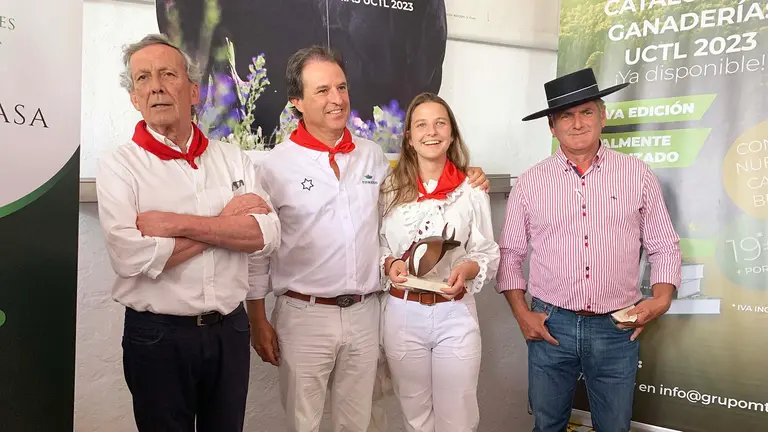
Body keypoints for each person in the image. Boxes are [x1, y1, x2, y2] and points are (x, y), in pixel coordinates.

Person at [246, 45, 489, 432]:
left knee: (360, 423)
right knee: (302, 423)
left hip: (365, 313)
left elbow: (406, 204)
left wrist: (468, 175)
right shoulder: (274, 165)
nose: (337, 99)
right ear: (297, 101)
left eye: (341, 87)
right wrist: (257, 318)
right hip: (304, 315)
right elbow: (258, 251)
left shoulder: (372, 156)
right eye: (322, 90)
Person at [96, 33, 280, 432]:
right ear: (134, 98)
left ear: (194, 91)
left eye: (168, 74)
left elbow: (267, 234)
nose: (156, 87)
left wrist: (177, 225)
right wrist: (226, 223)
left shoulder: (233, 159)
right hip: (158, 337)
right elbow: (129, 256)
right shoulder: (118, 165)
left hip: (229, 330)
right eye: (143, 78)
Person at [496, 68, 682, 432]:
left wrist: (660, 300)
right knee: (547, 425)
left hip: (617, 326)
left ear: (603, 116)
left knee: (614, 427)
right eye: (566, 115)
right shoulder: (531, 182)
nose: (578, 123)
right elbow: (510, 254)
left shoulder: (637, 175)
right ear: (552, 126)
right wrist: (522, 314)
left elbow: (663, 245)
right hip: (551, 324)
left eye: (586, 112)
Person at [378, 92, 500, 432]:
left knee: (458, 416)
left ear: (452, 133)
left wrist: (469, 268)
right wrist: (389, 263)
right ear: (409, 137)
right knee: (414, 416)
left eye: (440, 123)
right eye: (421, 125)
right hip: (402, 314)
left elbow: (487, 250)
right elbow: (378, 244)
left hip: (454, 313)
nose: (431, 132)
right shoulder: (388, 189)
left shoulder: (470, 189)